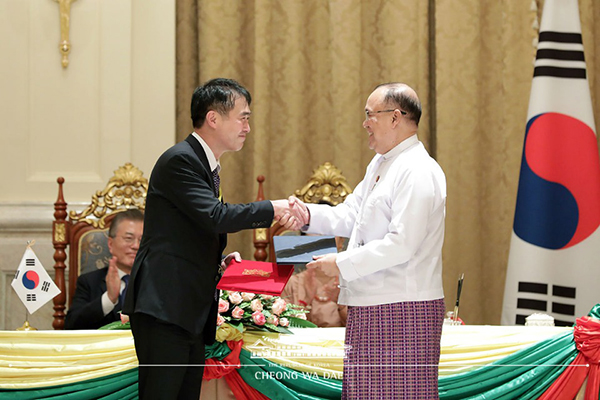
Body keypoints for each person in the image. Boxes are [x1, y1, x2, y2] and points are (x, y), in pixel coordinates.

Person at [122, 78, 306, 400]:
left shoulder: (205, 166)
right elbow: (215, 217)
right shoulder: (181, 160)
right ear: (213, 118)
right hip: (164, 306)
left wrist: (218, 263)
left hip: (185, 309)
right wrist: (273, 208)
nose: (248, 127)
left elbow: (189, 232)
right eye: (243, 117)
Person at [302, 83, 447, 399]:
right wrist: (305, 216)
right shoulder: (382, 163)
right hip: (369, 303)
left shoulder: (418, 170)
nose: (365, 123)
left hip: (404, 309)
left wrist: (340, 264)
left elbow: (402, 243)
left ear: (395, 118)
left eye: (370, 115)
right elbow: (351, 215)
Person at [65, 208, 144, 330]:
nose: (136, 246)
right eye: (129, 238)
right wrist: (109, 298)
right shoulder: (89, 282)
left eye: (141, 240)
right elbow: (71, 326)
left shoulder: (158, 281)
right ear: (111, 244)